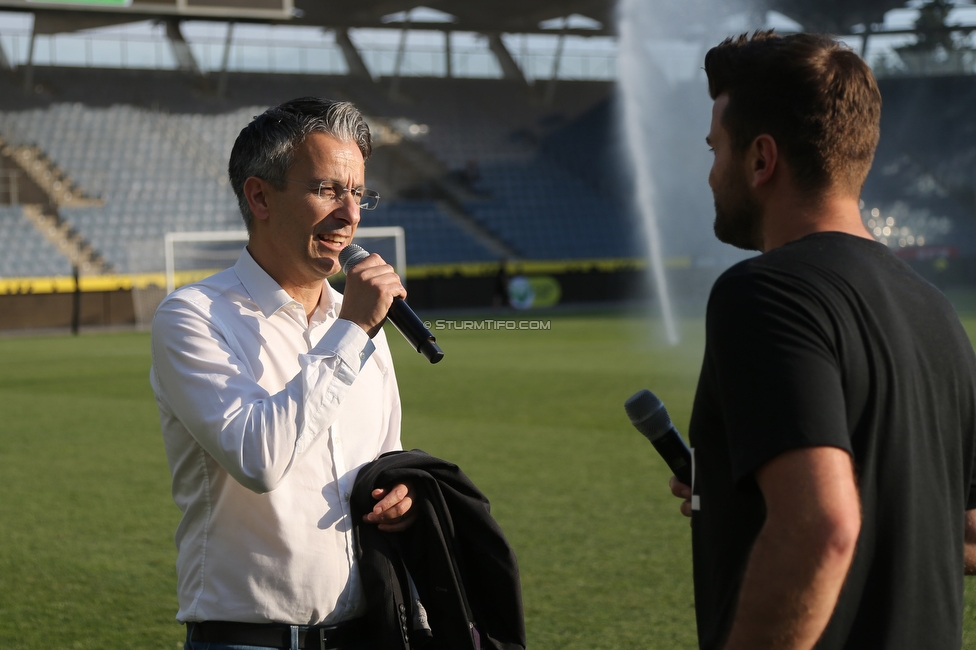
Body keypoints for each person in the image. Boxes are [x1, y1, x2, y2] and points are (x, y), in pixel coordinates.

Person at [668, 32, 976, 649]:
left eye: (716, 149)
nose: (710, 174)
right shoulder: (935, 310)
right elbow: (965, 532)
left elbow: (820, 526)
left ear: (761, 159)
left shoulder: (764, 294)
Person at [150, 97, 416, 650]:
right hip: (248, 641)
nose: (351, 215)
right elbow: (260, 459)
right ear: (260, 196)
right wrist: (353, 330)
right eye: (327, 190)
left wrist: (401, 497)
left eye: (358, 194)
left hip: (367, 634)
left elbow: (386, 460)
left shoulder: (361, 326)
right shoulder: (195, 316)